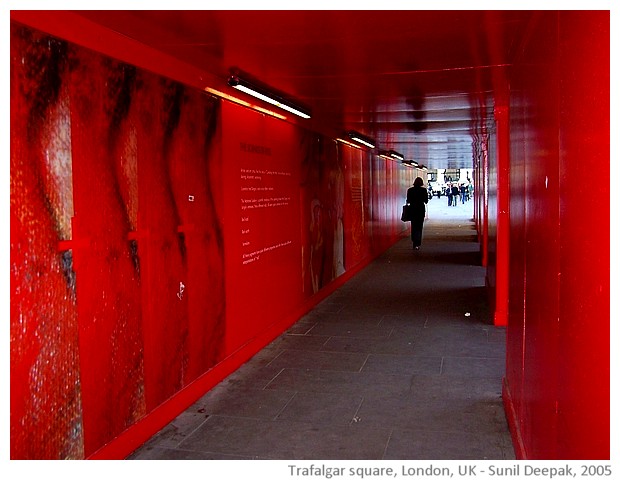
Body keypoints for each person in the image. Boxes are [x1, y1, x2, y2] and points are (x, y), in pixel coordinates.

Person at [406, 177, 428, 250]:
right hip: (420, 210)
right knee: (419, 226)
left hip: (413, 209)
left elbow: (408, 200)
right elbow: (426, 201)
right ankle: (418, 243)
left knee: (414, 226)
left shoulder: (410, 190)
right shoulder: (423, 190)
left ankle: (414, 241)